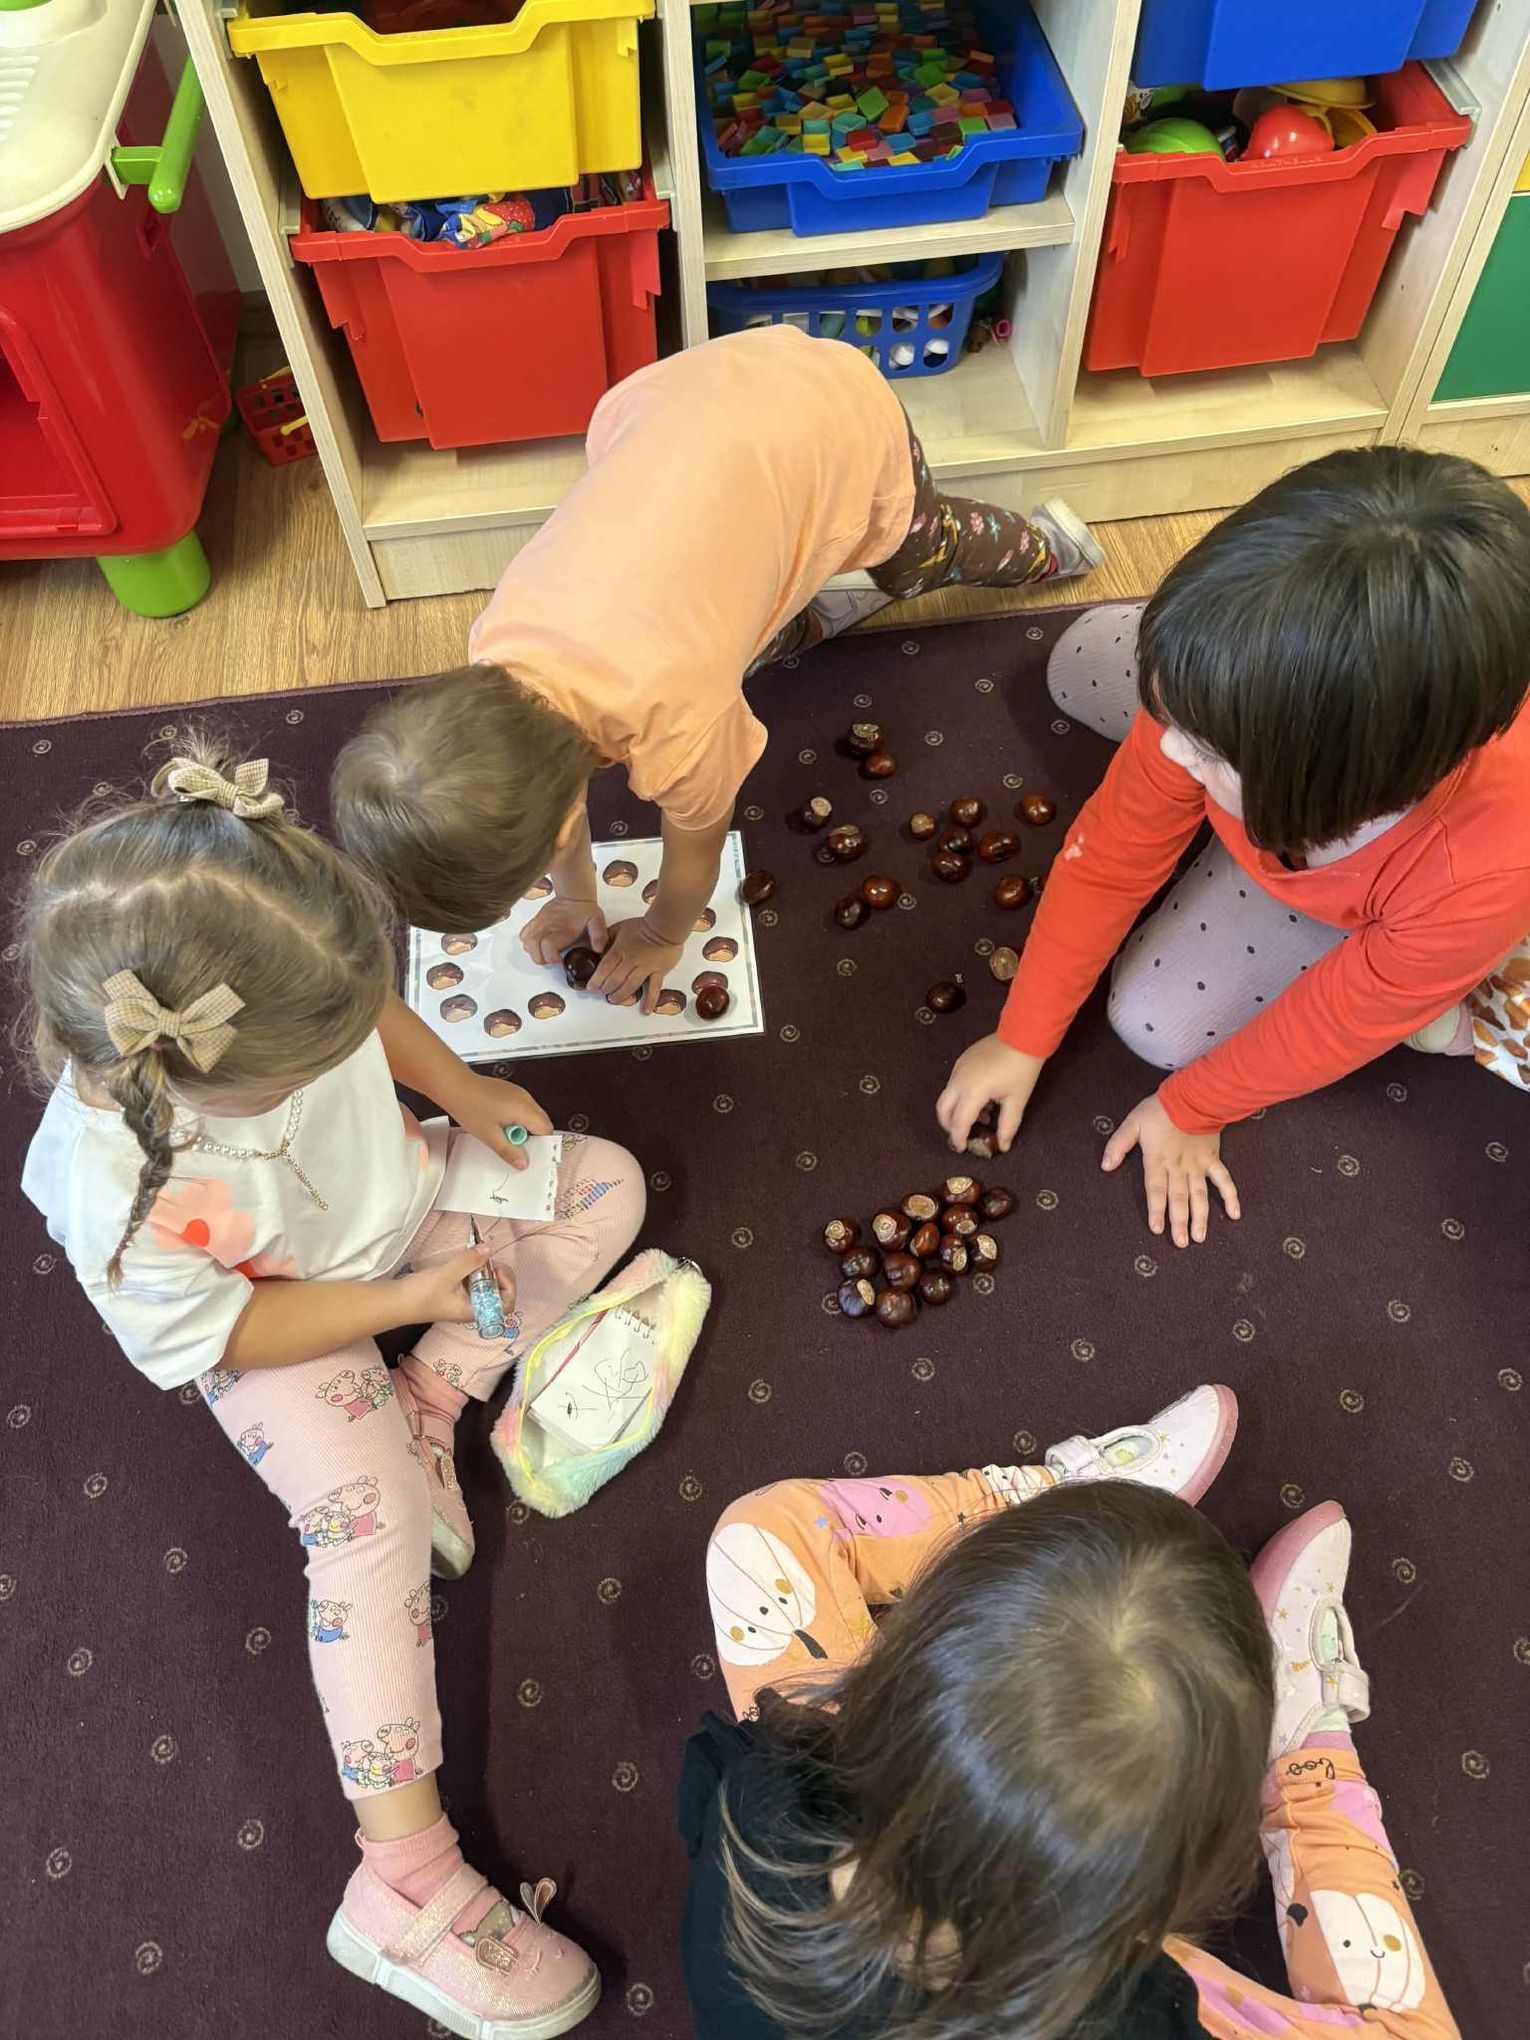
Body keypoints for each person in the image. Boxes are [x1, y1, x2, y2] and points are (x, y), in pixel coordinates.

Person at [18, 738, 646, 2038]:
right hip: (281, 1328)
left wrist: (462, 1090)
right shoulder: (116, 1193)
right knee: (366, 1528)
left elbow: (368, 1009)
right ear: (214, 1085)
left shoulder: (282, 962)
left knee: (607, 1186)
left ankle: (426, 1409)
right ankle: (400, 1880)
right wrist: (409, 1308)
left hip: (396, 1210)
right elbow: (232, 1330)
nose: (348, 1037)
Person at [330, 325, 1102, 1007]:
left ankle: (1047, 549)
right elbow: (550, 798)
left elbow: (695, 847)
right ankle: (801, 608)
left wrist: (663, 931)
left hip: (831, 417)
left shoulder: (678, 728)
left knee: (917, 554)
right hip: (693, 398)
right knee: (723, 627)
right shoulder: (496, 649)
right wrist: (573, 898)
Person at [681, 1386, 1458, 2040]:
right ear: (1163, 1894)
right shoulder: (1140, 2014)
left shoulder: (761, 1803)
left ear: (896, 1667)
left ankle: (1020, 1500)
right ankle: (1305, 1767)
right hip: (1061, 1990)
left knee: (765, 1531)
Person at [937, 447, 1530, 1247]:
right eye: (1172, 709)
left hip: (1371, 877)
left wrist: (1193, 1108)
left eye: (1209, 747)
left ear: (1339, 792)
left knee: (1156, 1025)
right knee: (1078, 661)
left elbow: (1338, 1023)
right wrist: (1022, 1035)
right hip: (1292, 761)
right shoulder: (1199, 725)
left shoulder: (1478, 875)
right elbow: (1111, 855)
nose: (1168, 746)